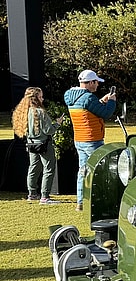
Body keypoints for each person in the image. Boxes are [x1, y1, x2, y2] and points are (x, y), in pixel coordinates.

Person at [64, 69, 116, 211]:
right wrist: (111, 102)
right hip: (92, 139)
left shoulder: (71, 96)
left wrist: (101, 101)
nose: (97, 85)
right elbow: (105, 113)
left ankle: (80, 202)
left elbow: (88, 110)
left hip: (80, 139)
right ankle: (102, 202)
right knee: (100, 170)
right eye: (96, 82)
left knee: (83, 171)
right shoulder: (88, 98)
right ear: (90, 82)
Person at [12, 87, 64, 204]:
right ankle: (45, 197)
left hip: (31, 144)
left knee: (33, 168)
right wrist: (57, 124)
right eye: (40, 97)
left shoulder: (24, 112)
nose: (43, 98)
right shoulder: (41, 112)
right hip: (44, 144)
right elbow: (48, 130)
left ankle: (32, 194)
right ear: (36, 99)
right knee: (49, 169)